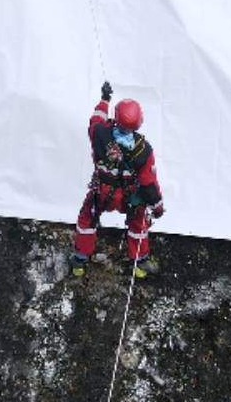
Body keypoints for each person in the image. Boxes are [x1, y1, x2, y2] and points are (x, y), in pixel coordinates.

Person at [71, 81, 165, 279]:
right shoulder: (143, 150)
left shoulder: (100, 134)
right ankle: (140, 262)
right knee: (139, 224)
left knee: (87, 219)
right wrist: (157, 206)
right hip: (129, 196)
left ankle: (80, 259)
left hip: (101, 192)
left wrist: (105, 99)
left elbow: (96, 118)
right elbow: (149, 183)